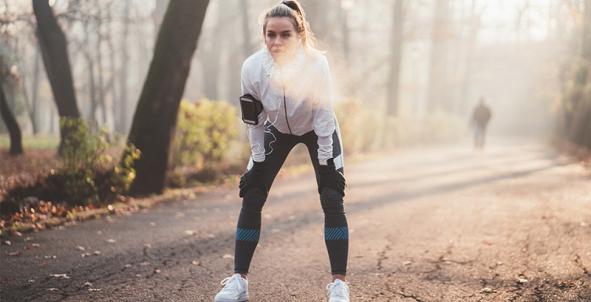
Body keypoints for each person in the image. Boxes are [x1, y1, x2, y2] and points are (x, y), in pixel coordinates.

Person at [214, 1, 350, 301]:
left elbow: (324, 114)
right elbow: (254, 118)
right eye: (270, 34)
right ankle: (239, 282)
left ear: (299, 34)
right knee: (252, 194)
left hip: (317, 129)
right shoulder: (252, 67)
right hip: (276, 128)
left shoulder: (317, 64)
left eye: (285, 35)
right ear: (263, 35)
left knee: (331, 196)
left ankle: (339, 285)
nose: (276, 42)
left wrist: (327, 160)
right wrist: (258, 162)